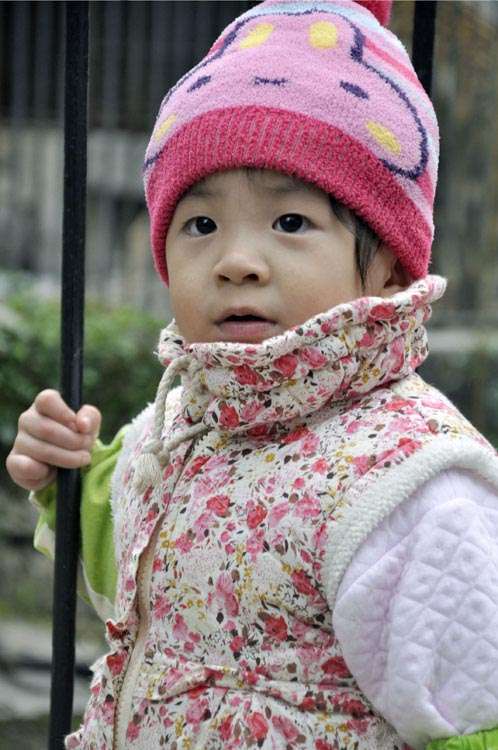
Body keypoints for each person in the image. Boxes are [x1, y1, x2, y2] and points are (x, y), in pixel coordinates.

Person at [6, 0, 498, 748]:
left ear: (390, 267)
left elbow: (474, 712)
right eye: (201, 225)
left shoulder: (408, 484)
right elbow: (151, 576)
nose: (236, 261)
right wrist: (69, 477)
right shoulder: (180, 430)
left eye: (290, 222)